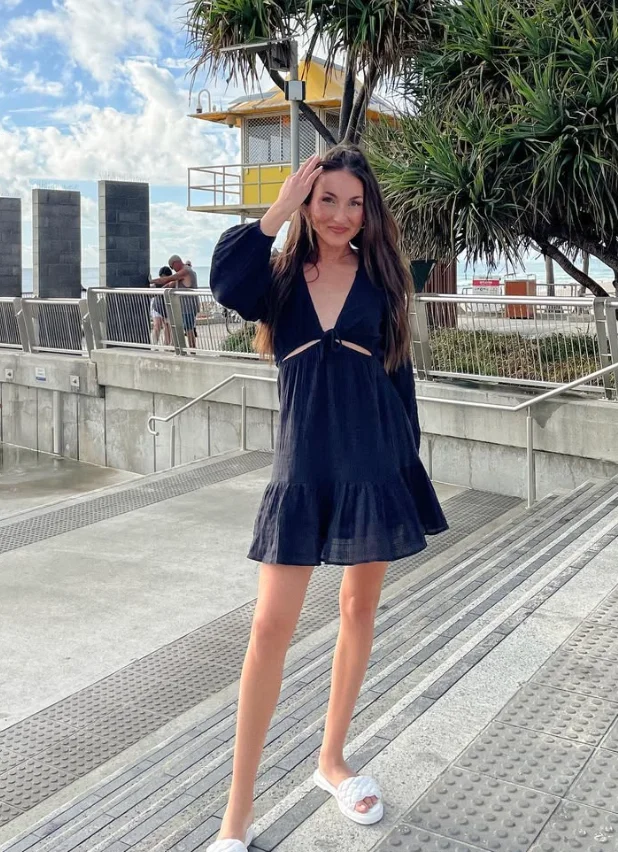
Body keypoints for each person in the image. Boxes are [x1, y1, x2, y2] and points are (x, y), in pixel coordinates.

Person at [206, 146, 448, 852]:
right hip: (302, 467)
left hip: (373, 462)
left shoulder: (384, 280)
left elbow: (398, 379)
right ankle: (235, 819)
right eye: (327, 199)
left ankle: (331, 760)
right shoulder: (277, 280)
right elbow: (227, 278)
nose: (342, 215)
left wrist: (407, 467)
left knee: (359, 609)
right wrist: (279, 205)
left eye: (354, 201)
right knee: (267, 632)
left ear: (369, 210)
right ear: (308, 204)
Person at [151, 255, 199, 349]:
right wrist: (156, 292)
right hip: (184, 307)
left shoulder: (185, 271)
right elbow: (170, 284)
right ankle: (177, 348)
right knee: (179, 328)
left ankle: (192, 350)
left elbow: (167, 279)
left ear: (175, 263)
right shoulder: (185, 271)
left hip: (187, 306)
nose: (173, 269)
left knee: (188, 330)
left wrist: (151, 281)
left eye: (172, 267)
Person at [149, 265, 172, 347]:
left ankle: (167, 345)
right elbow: (152, 290)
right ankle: (154, 345)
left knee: (168, 327)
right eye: (161, 276)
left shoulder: (171, 283)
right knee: (157, 325)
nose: (162, 279)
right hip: (157, 307)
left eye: (164, 276)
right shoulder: (158, 283)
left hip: (168, 308)